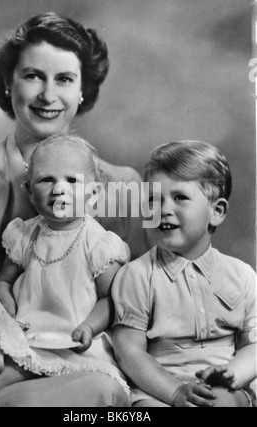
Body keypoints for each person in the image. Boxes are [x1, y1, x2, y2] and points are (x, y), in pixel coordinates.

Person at [0, 12, 143, 407]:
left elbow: (137, 302)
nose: (47, 95)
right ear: (8, 84)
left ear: (81, 90)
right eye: (32, 76)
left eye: (64, 79)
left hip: (78, 359)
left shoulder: (122, 184)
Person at [0, 135, 131, 404]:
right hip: (29, 331)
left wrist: (89, 326)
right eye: (47, 180)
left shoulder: (98, 243)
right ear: (29, 190)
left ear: (93, 193)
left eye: (72, 181)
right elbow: (4, 281)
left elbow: (112, 299)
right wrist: (8, 311)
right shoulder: (25, 234)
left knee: (33, 361)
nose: (59, 189)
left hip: (74, 340)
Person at [112, 141, 257, 407]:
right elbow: (129, 352)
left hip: (223, 386)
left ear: (216, 211)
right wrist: (176, 392)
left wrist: (232, 374)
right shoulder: (136, 275)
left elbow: (253, 346)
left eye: (179, 197)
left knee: (221, 403)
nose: (163, 209)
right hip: (158, 389)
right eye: (154, 199)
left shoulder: (243, 275)